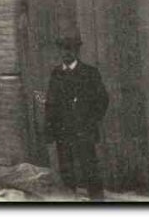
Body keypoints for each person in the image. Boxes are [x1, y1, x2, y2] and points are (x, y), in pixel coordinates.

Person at [44, 36, 109, 200]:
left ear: (76, 52)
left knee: (89, 167)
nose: (66, 54)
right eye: (63, 50)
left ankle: (97, 200)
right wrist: (50, 128)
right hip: (63, 130)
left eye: (70, 50)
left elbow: (102, 99)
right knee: (66, 168)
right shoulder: (56, 73)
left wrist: (91, 120)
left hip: (83, 130)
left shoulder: (89, 72)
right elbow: (50, 103)